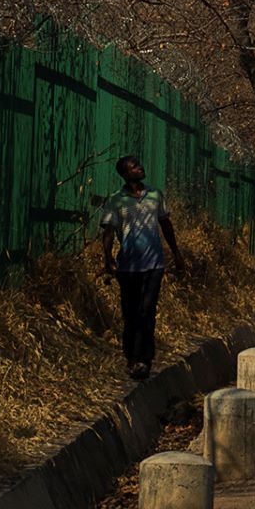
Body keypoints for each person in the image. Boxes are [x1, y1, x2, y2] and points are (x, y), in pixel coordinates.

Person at [100, 155, 184, 380]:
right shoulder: (116, 200)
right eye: (134, 166)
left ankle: (145, 359)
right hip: (127, 266)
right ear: (126, 174)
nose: (140, 168)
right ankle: (131, 358)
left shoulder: (155, 195)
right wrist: (107, 258)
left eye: (139, 164)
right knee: (131, 313)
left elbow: (165, 223)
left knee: (147, 311)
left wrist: (176, 253)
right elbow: (108, 231)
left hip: (154, 264)